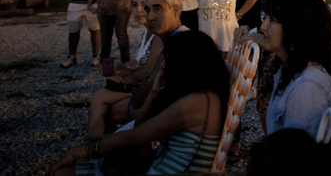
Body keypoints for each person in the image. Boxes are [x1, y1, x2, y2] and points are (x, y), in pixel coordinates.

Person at [48, 31, 229, 176]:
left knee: (62, 172)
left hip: (159, 170)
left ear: (187, 64)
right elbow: (139, 127)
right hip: (156, 166)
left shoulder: (197, 102)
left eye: (169, 59)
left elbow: (134, 137)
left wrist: (81, 151)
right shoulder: (200, 97)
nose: (164, 66)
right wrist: (155, 92)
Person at [237, 0, 326, 135]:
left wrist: (262, 39)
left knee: (295, 130)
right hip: (268, 68)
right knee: (269, 121)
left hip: (299, 70)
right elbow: (266, 25)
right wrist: (248, 31)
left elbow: (313, 38)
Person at [87, 0, 189, 132]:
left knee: (103, 101)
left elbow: (148, 84)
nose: (148, 15)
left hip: (167, 111)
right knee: (103, 100)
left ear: (176, 10)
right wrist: (127, 72)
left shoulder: (177, 40)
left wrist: (124, 82)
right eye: (147, 9)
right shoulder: (161, 34)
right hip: (160, 102)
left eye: (157, 9)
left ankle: (92, 147)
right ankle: (96, 146)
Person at [256, 0, 331, 137]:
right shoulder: (288, 68)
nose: (263, 27)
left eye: (272, 20)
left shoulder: (306, 86)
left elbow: (297, 153)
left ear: (295, 29)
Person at [94, 0, 134, 68]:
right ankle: (104, 61)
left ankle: (125, 61)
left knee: (121, 34)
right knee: (105, 37)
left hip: (120, 10)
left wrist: (127, 3)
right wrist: (90, 4)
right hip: (103, 10)